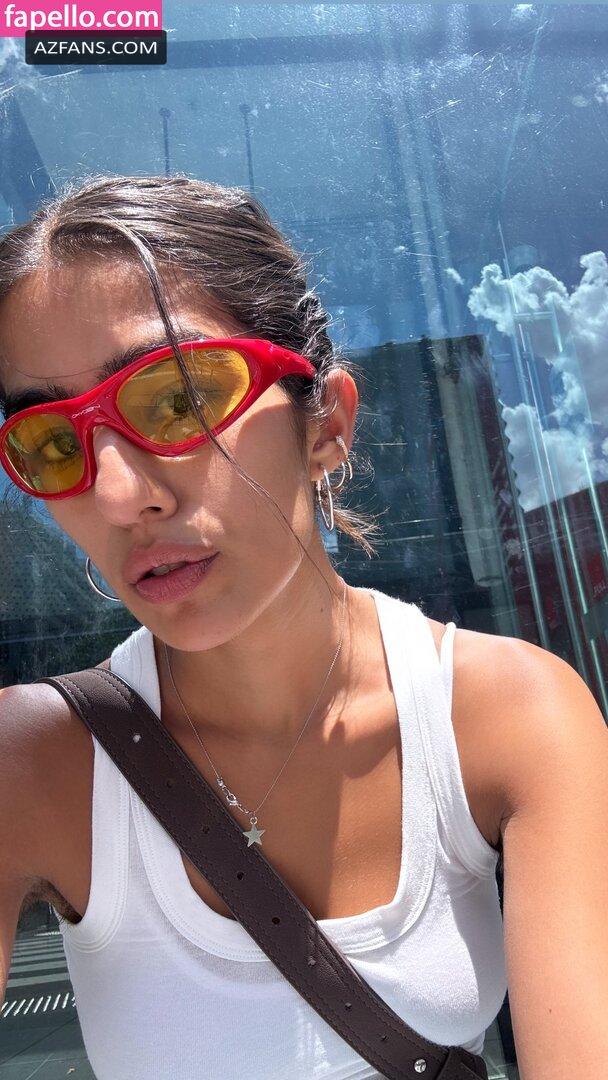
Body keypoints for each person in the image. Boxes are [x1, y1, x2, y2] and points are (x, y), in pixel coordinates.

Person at [0, 174, 606, 1080]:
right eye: (52, 444)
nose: (119, 494)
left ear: (326, 426)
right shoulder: (30, 765)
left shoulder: (507, 715)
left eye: (179, 398)